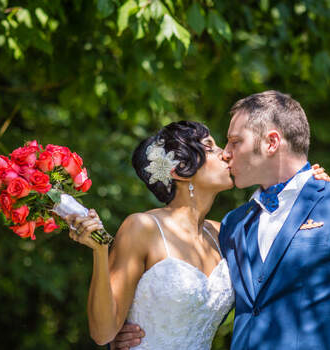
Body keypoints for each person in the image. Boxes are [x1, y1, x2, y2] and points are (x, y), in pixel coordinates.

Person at [111, 91, 330, 350]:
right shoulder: (232, 225)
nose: (226, 153)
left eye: (235, 142)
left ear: (271, 143)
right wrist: (122, 335)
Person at [66, 121, 236, 350]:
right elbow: (103, 332)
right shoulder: (142, 228)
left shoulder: (223, 234)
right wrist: (100, 249)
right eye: (209, 146)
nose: (224, 154)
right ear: (179, 170)